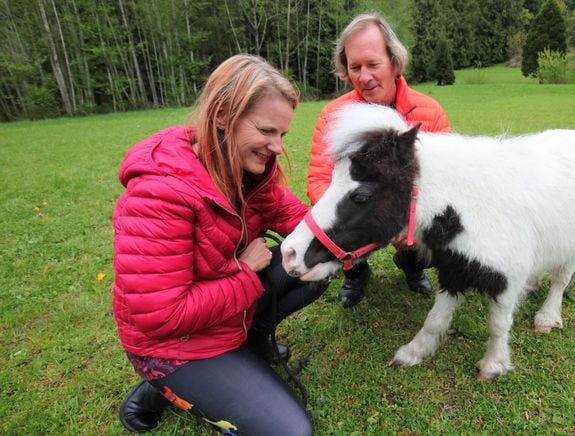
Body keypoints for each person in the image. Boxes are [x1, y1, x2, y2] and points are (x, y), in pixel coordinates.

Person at [112, 54, 328, 435]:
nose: (277, 147)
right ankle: (159, 386)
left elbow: (309, 227)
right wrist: (245, 272)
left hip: (222, 311)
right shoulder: (159, 193)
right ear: (224, 114)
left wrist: (371, 224)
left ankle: (245, 349)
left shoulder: (250, 172)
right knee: (291, 433)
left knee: (315, 266)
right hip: (172, 345)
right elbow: (161, 316)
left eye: (282, 135)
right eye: (266, 131)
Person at [307, 12, 452, 308]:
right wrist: (360, 217)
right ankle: (356, 275)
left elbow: (447, 180)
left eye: (373, 64)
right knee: (344, 222)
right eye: (355, 67)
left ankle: (412, 265)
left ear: (395, 63)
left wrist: (408, 223)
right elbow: (318, 179)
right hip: (358, 213)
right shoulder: (333, 117)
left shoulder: (430, 112)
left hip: (407, 215)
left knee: (431, 234)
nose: (364, 76)